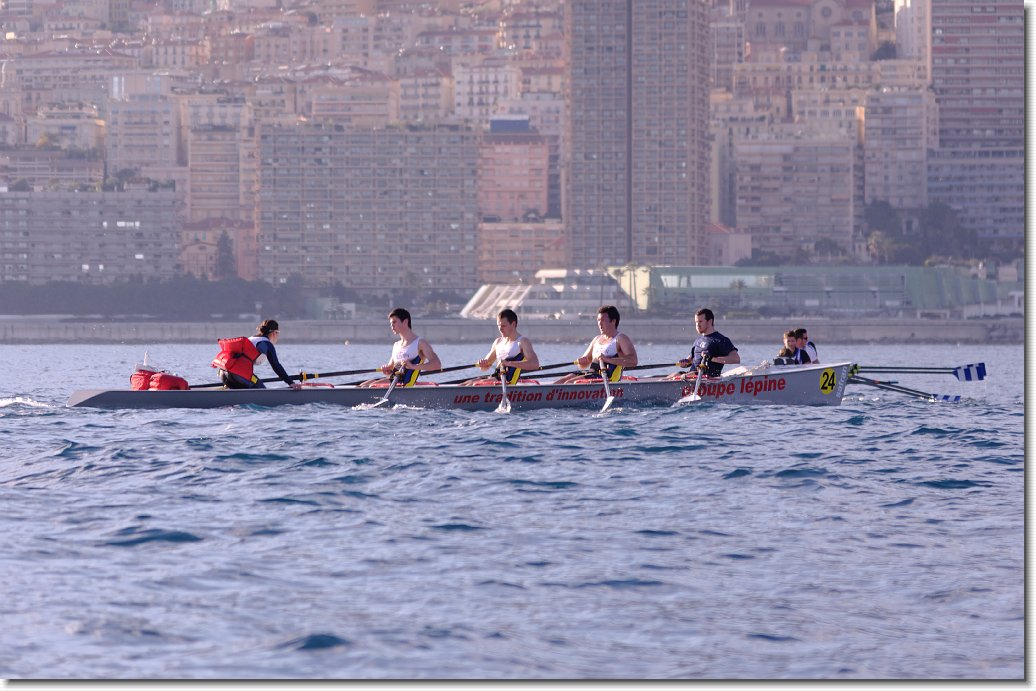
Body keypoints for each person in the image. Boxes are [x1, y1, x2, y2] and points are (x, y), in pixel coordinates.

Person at [359, 307, 442, 387]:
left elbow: (437, 364)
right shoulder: (396, 345)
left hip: (404, 383)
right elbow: (391, 368)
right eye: (391, 323)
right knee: (361, 386)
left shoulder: (420, 343)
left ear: (405, 322)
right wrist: (386, 369)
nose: (392, 326)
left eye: (394, 322)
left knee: (370, 386)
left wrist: (413, 366)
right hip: (393, 381)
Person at [555, 305, 638, 384]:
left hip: (607, 378)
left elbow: (633, 361)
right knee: (561, 381)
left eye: (602, 320)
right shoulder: (596, 339)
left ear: (613, 321)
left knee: (569, 383)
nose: (599, 324)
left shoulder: (621, 338)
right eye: (598, 320)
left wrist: (607, 360)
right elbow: (582, 366)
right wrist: (581, 362)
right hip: (592, 374)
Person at [211, 319, 302, 389]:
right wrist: (291, 383)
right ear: (274, 333)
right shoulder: (267, 344)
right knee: (262, 390)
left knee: (253, 381)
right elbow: (276, 366)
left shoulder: (251, 339)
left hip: (223, 373)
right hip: (238, 375)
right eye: (278, 333)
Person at [461, 308, 541, 385]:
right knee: (465, 384)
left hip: (507, 382)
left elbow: (535, 364)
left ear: (513, 324)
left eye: (503, 326)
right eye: (498, 325)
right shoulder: (498, 342)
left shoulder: (523, 342)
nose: (500, 329)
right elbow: (484, 368)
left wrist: (508, 363)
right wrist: (482, 364)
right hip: (496, 378)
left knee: (474, 385)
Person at [666, 307, 739, 379]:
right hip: (691, 376)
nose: (697, 325)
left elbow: (736, 359)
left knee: (684, 376)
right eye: (696, 322)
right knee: (673, 375)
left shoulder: (721, 340)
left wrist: (711, 358)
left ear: (709, 321)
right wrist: (685, 363)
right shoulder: (698, 340)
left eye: (700, 322)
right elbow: (690, 360)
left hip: (707, 378)